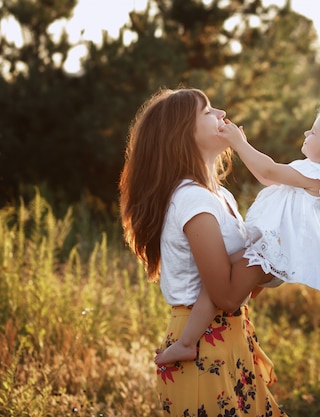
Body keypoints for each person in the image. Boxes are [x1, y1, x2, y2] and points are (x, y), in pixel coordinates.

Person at [154, 99, 320, 367]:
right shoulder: (317, 175)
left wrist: (240, 143)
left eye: (313, 133)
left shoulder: (316, 174)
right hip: (269, 253)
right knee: (222, 276)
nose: (306, 134)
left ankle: (186, 344)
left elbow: (268, 171)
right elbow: (269, 178)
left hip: (270, 254)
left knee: (218, 286)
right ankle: (188, 341)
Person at [119, 87, 287, 416]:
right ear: (182, 133)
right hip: (200, 346)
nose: (222, 114)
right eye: (208, 111)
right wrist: (276, 255)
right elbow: (225, 294)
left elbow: (240, 290)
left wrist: (265, 265)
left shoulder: (219, 195)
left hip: (231, 336)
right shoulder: (192, 200)